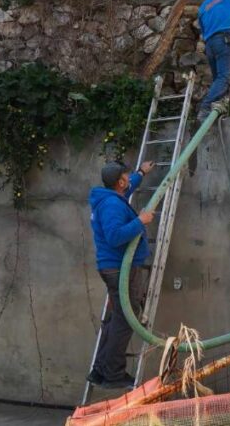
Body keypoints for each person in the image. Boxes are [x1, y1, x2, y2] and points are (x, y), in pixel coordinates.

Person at [87, 160, 155, 388]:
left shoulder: (110, 197)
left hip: (113, 267)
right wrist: (140, 221)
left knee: (117, 317)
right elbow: (115, 236)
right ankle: (113, 373)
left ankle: (99, 370)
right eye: (126, 177)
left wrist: (141, 173)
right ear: (120, 182)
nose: (128, 180)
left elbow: (127, 186)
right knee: (127, 318)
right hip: (120, 269)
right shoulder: (112, 205)